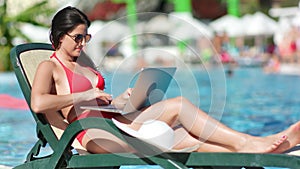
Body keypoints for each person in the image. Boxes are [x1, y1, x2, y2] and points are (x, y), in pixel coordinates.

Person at [31, 6, 300, 154]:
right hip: (92, 133)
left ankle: (250, 143)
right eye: (77, 37)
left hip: (114, 119)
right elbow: (39, 103)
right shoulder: (49, 66)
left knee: (180, 106)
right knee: (178, 135)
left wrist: (124, 99)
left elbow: (99, 98)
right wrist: (84, 97)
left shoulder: (85, 64)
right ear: (59, 36)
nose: (82, 43)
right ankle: (250, 146)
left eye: (86, 37)